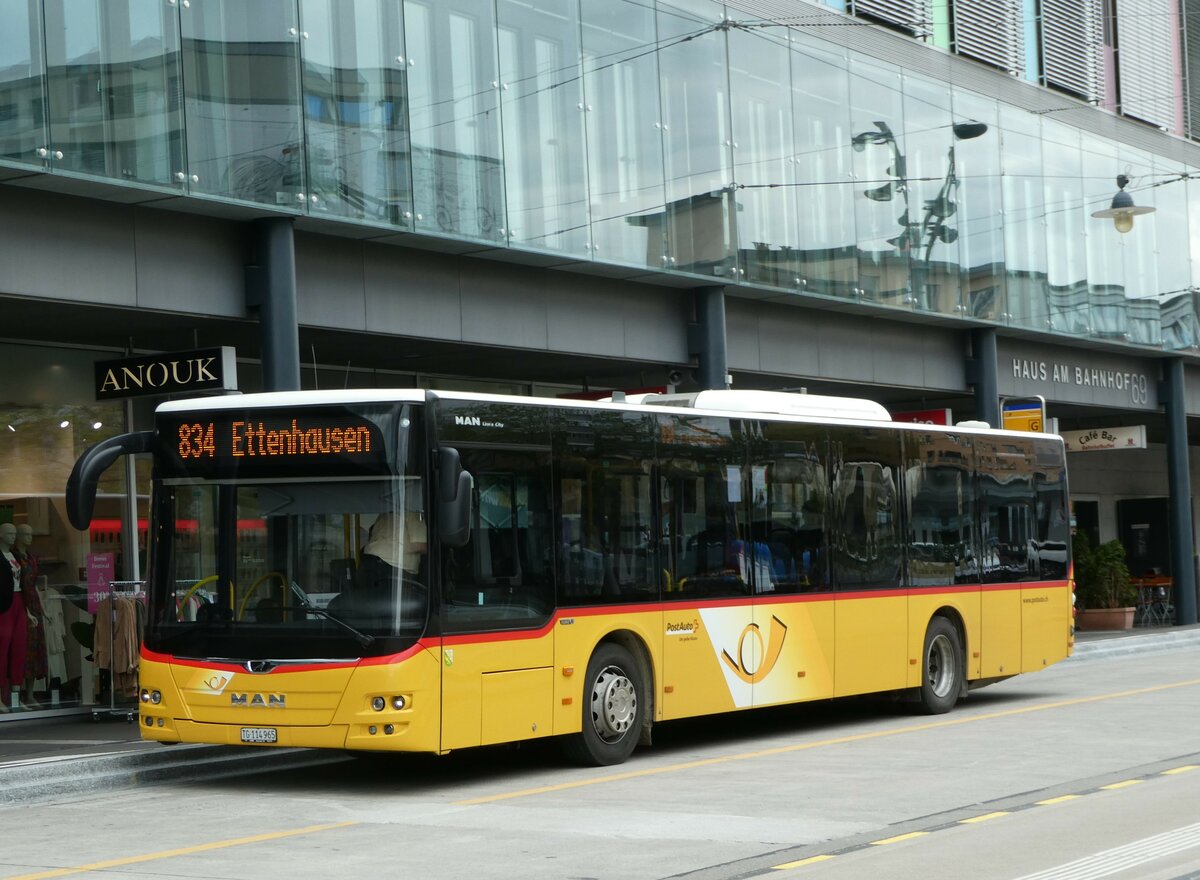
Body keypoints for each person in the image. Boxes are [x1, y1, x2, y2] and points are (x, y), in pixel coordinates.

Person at [0, 523, 33, 710]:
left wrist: (27, 610)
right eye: (9, 533)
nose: (13, 536)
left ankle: (15, 695)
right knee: (2, 649)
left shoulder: (15, 556)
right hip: (4, 603)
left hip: (19, 601)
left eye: (14, 533)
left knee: (19, 648)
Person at [15, 524, 46, 706]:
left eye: (30, 534)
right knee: (23, 649)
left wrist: (41, 608)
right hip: (20, 603)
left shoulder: (32, 558)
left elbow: (33, 584)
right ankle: (16, 695)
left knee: (35, 650)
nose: (29, 537)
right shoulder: (14, 559)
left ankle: (30, 694)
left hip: (34, 603)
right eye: (25, 534)